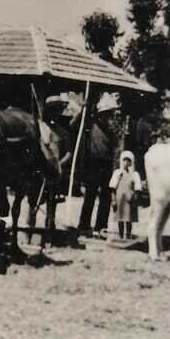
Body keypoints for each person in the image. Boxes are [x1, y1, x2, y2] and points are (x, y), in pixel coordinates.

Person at [76, 92, 118, 238]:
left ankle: (101, 226)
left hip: (106, 165)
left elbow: (114, 150)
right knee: (90, 195)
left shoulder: (111, 131)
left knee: (105, 197)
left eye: (109, 115)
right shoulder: (89, 126)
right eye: (105, 115)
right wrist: (84, 108)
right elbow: (75, 124)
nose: (108, 118)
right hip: (93, 164)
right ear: (99, 115)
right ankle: (84, 225)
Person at [109, 150, 143, 240]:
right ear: (121, 161)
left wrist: (135, 197)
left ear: (131, 162)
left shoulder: (134, 174)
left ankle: (128, 235)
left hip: (129, 199)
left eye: (128, 160)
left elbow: (138, 188)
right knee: (120, 218)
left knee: (129, 219)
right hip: (120, 198)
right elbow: (112, 187)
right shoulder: (117, 173)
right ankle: (120, 236)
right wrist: (113, 200)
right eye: (124, 160)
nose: (126, 162)